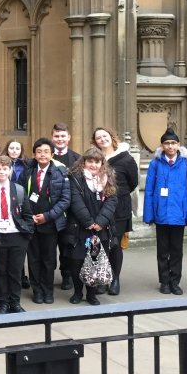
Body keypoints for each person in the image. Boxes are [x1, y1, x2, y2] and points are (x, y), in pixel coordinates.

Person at [143, 128, 187, 296]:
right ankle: (164, 281)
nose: (170, 146)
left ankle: (175, 281)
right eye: (167, 143)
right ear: (162, 145)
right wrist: (149, 214)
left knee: (176, 250)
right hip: (161, 214)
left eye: (173, 143)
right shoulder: (155, 164)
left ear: (178, 145)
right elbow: (149, 191)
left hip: (179, 215)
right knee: (162, 250)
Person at [17, 138, 71, 305]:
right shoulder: (27, 171)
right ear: (34, 154)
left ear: (52, 154)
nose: (42, 155)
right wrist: (28, 217)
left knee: (49, 259)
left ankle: (48, 290)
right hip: (31, 222)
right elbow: (19, 194)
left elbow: (65, 199)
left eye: (46, 152)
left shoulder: (60, 172)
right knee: (33, 259)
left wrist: (47, 216)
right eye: (39, 152)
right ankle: (37, 290)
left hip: (50, 222)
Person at [0, 155, 33, 315]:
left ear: (10, 170)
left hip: (17, 235)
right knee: (1, 271)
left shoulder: (18, 189)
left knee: (15, 271)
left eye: (5, 169)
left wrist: (27, 233)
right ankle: (3, 303)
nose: (2, 172)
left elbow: (28, 214)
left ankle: (15, 303)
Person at [66, 148, 118, 306]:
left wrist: (100, 222)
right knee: (77, 261)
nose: (93, 165)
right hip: (79, 227)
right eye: (90, 161)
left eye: (97, 162)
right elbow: (75, 202)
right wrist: (88, 222)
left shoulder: (108, 178)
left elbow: (112, 201)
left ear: (102, 163)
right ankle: (77, 292)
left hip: (100, 229)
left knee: (95, 261)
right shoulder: (75, 178)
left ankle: (91, 294)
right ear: (84, 162)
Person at [92, 127, 138, 296]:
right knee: (101, 244)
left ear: (111, 137)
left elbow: (133, 182)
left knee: (115, 244)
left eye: (105, 136)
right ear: (95, 141)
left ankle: (115, 278)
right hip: (98, 207)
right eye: (98, 138)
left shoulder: (126, 159)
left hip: (120, 207)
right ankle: (102, 278)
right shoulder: (93, 158)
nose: (102, 139)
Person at [51, 123, 79, 292]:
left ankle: (67, 275)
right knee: (49, 247)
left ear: (69, 137)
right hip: (49, 210)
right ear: (52, 137)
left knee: (67, 245)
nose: (60, 139)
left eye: (63, 136)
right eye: (56, 136)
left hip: (70, 211)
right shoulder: (46, 156)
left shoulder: (77, 159)